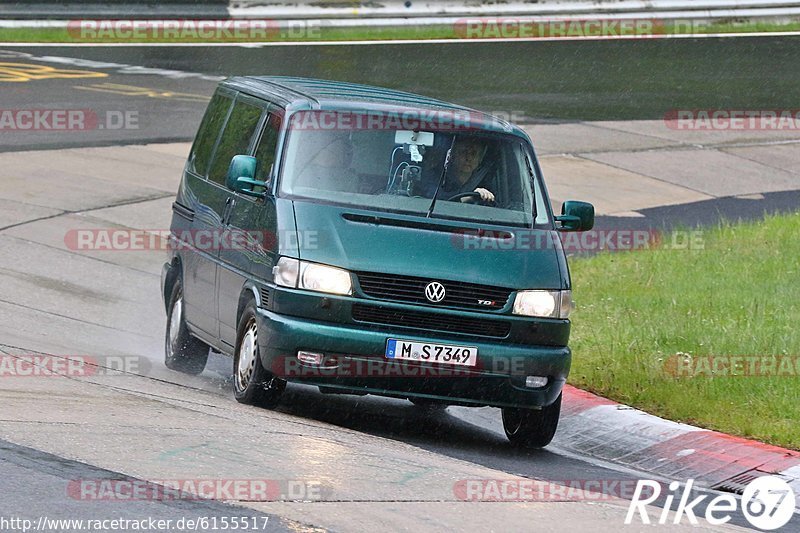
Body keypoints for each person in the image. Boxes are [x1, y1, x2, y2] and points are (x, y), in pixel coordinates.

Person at [422, 136, 497, 203]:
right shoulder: (435, 177)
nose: (469, 158)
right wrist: (462, 199)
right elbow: (431, 199)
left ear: (480, 159)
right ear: (452, 156)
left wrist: (485, 196)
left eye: (473, 154)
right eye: (464, 152)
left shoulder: (486, 183)